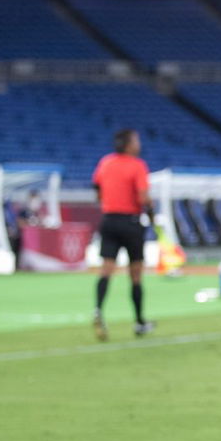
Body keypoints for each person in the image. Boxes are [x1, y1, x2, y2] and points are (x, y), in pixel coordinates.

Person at [92, 129, 154, 340]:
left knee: (106, 269)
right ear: (128, 144)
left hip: (108, 219)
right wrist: (152, 213)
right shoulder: (137, 165)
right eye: (136, 140)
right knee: (135, 274)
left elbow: (97, 188)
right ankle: (139, 322)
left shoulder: (106, 162)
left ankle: (98, 310)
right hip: (130, 221)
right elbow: (143, 197)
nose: (139, 143)